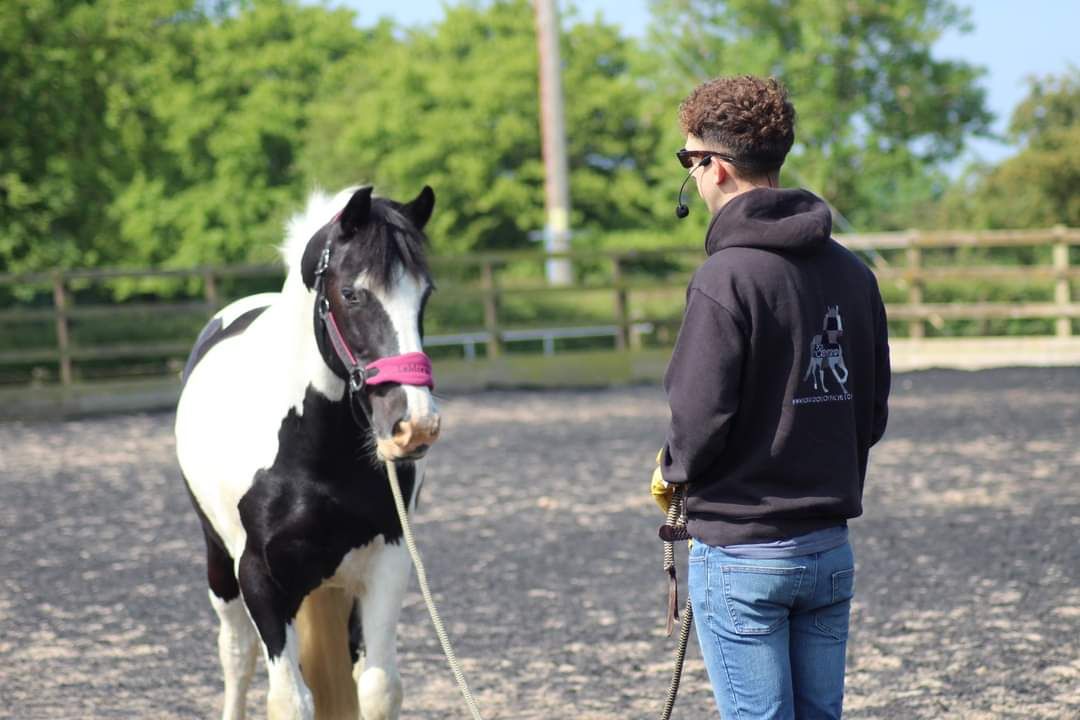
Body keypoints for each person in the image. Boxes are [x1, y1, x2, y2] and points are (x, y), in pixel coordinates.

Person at [650, 75, 891, 720]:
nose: (692, 180)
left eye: (689, 162)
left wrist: (671, 473)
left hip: (741, 555)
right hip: (827, 548)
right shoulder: (854, 274)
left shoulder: (725, 278)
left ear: (716, 166)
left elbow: (698, 421)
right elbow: (870, 415)